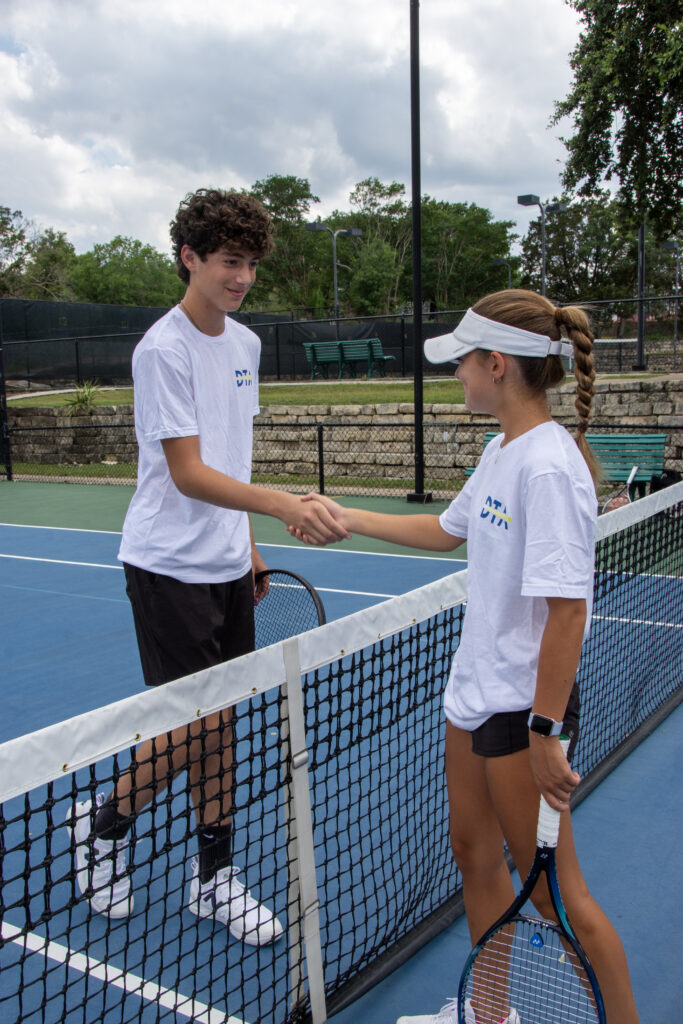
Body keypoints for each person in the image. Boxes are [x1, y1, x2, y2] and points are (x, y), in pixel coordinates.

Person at [293, 290, 640, 1023]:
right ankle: (488, 1016)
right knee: (473, 857)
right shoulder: (500, 449)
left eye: (461, 362)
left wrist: (546, 730)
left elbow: (568, 609)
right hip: (472, 693)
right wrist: (344, 515)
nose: (456, 374)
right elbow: (447, 530)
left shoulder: (546, 467)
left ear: (496, 364)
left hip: (524, 710)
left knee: (554, 896)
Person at [67, 188, 348, 946]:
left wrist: (250, 541)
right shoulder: (162, 350)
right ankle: (103, 827)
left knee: (218, 726)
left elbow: (230, 457)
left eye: (251, 263)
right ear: (189, 257)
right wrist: (284, 504)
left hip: (227, 565)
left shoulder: (245, 346)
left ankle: (214, 879)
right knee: (192, 725)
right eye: (229, 261)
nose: (242, 277)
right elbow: (189, 473)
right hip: (167, 568)